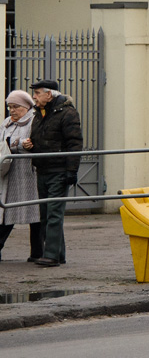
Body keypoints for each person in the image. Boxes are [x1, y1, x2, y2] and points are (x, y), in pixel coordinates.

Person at [23, 79, 82, 267]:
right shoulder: (40, 113)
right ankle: (59, 254)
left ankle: (51, 255)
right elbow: (40, 138)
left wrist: (71, 171)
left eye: (38, 93)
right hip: (43, 169)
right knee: (46, 213)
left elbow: (74, 144)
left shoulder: (67, 113)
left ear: (49, 94)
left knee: (54, 213)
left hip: (58, 170)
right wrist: (30, 146)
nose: (34, 96)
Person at [0, 90, 42, 262]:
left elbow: (38, 143)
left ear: (25, 107)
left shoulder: (34, 121)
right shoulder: (6, 123)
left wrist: (25, 145)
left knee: (35, 213)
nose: (12, 110)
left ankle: (37, 252)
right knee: (6, 210)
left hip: (28, 174)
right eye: (10, 107)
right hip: (8, 174)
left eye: (16, 107)